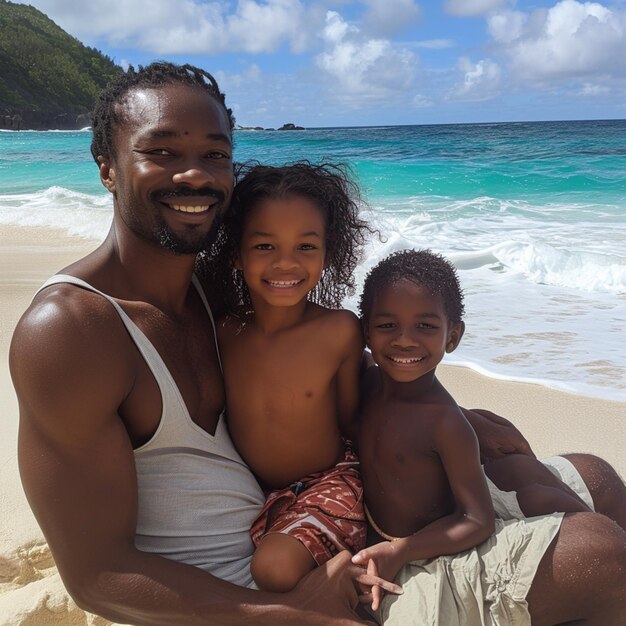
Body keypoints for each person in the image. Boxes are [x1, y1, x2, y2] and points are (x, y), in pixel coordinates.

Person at [9, 62, 625, 624]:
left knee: (595, 477)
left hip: (326, 513)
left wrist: (452, 419)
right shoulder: (70, 332)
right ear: (108, 168)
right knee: (599, 555)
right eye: (161, 151)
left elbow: (311, 363)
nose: (194, 173)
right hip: (254, 593)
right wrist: (296, 612)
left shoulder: (210, 289)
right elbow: (96, 578)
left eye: (215, 153)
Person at [352, 249, 626, 624]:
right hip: (396, 537)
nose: (404, 340)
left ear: (454, 336)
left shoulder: (445, 422)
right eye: (387, 326)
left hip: (433, 547)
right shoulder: (364, 383)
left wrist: (401, 551)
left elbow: (476, 520)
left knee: (571, 510)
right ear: (365, 330)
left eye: (425, 326)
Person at [202, 162, 370, 592]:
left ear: (327, 253)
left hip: (330, 481)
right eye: (264, 246)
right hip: (257, 490)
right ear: (236, 255)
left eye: (306, 247)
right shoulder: (224, 332)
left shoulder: (338, 331)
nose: (285, 263)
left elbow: (356, 421)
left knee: (272, 568)